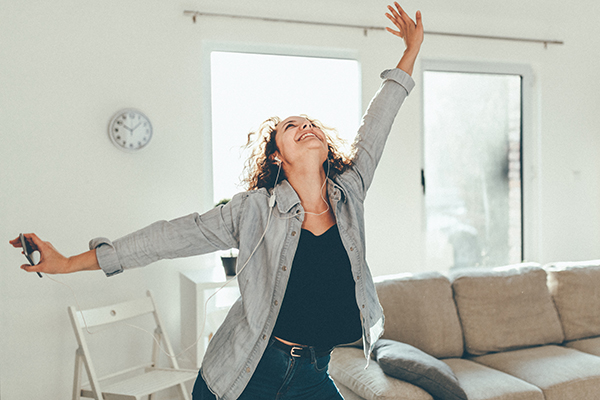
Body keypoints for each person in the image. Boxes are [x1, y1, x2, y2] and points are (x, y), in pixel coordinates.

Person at [10, 3, 423, 399]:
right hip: (245, 376)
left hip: (314, 375)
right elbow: (166, 238)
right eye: (291, 126)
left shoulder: (349, 192)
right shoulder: (253, 209)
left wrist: (410, 52)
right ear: (276, 156)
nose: (306, 126)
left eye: (311, 123)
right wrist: (68, 263)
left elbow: (378, 123)